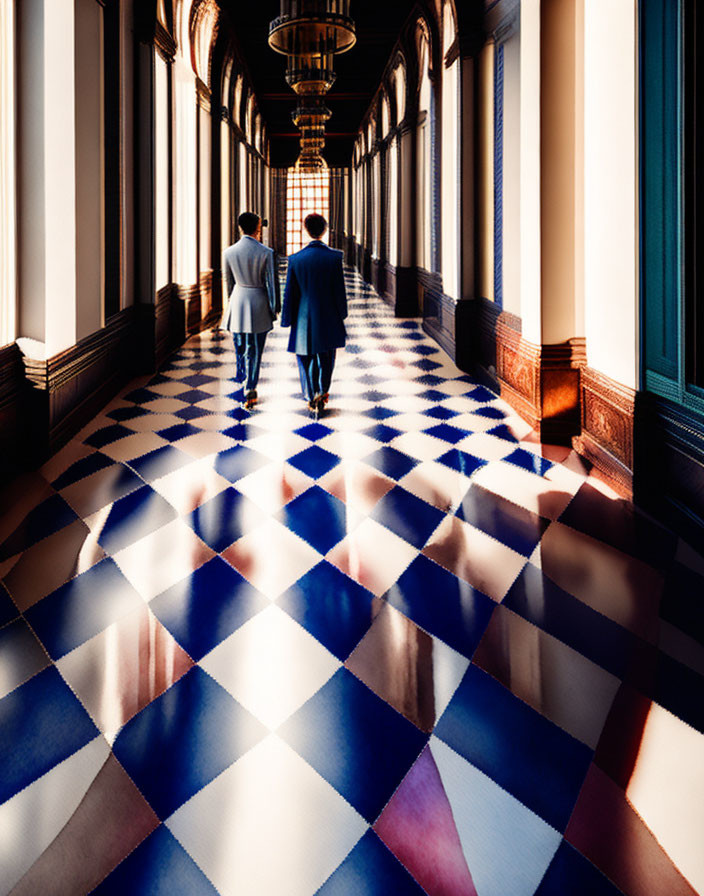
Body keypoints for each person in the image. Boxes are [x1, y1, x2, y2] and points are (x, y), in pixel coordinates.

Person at [281, 213, 347, 418]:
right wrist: (341, 313)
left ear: (305, 229)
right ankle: (323, 391)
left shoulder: (296, 259)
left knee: (305, 358)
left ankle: (310, 395)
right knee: (327, 357)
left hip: (303, 317)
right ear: (325, 230)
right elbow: (339, 290)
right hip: (328, 315)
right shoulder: (335, 257)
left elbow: (290, 293)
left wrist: (286, 318)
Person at [221, 212, 280, 409]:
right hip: (258, 303)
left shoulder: (228, 252)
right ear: (257, 229)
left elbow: (228, 284)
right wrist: (274, 308)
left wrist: (232, 303)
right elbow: (272, 284)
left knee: (240, 344)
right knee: (255, 349)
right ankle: (250, 386)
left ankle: (242, 375)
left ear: (240, 228)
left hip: (238, 301)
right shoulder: (266, 252)